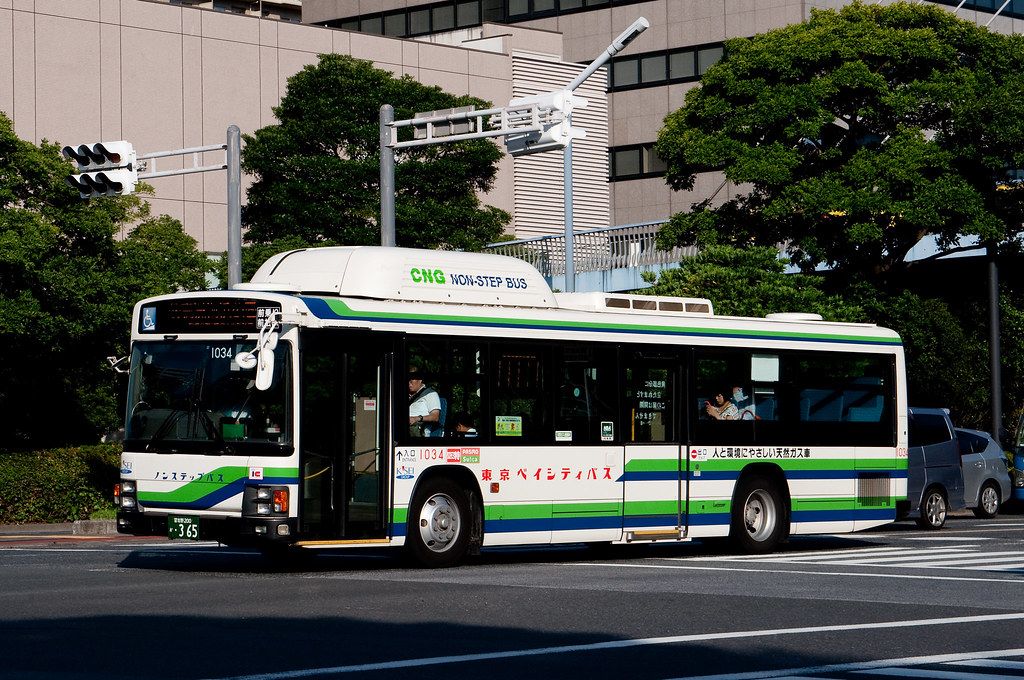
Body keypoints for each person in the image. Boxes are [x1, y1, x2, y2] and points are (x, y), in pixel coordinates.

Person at [408, 367, 441, 437]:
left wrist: (416, 419)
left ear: (420, 380)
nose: (409, 383)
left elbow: (435, 417)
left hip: (417, 429)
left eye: (411, 380)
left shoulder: (431, 394)